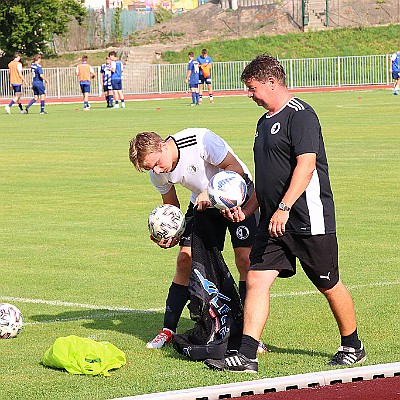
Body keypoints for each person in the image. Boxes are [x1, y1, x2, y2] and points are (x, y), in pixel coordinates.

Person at [204, 54, 366, 373]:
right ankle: (247, 354)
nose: (249, 94)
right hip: (272, 220)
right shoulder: (263, 123)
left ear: (271, 82)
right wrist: (248, 208)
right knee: (256, 280)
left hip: (308, 217)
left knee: (328, 282)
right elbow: (266, 179)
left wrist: (285, 207)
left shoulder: (301, 115)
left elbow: (305, 167)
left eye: (252, 88)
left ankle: (353, 345)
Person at [129, 128, 267, 354]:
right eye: (149, 168)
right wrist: (169, 232)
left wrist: (210, 191)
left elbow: (236, 169)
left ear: (163, 145)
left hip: (235, 193)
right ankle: (168, 330)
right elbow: (172, 207)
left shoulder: (199, 140)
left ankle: (249, 335)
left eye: (156, 163)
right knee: (185, 259)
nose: (156, 170)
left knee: (245, 260)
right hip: (202, 203)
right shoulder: (157, 172)